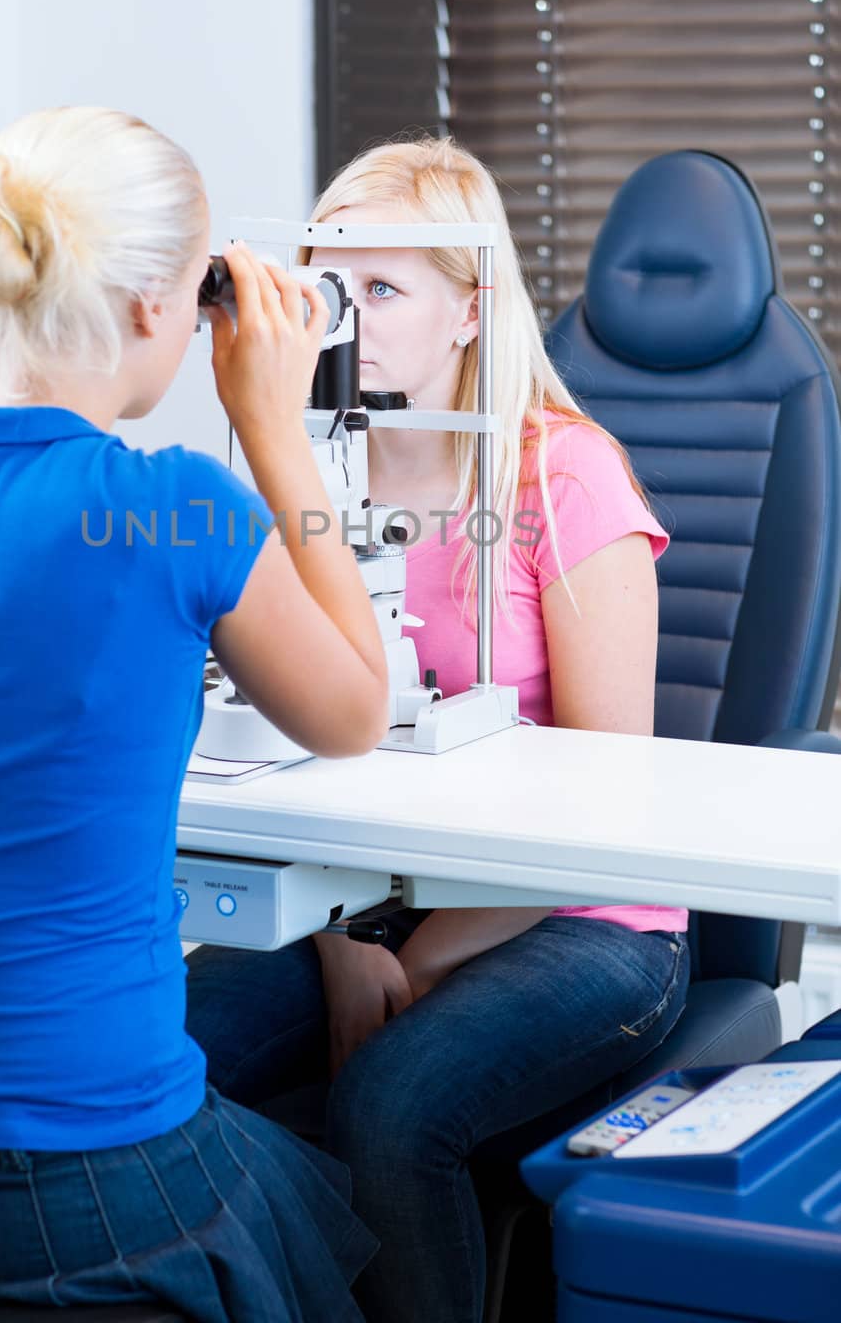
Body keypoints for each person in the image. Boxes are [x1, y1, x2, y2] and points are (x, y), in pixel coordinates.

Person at [0, 105, 392, 1318]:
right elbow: (354, 708)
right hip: (76, 1168)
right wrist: (274, 422)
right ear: (160, 305)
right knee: (315, 1198)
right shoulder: (178, 508)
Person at [185, 136, 690, 1323]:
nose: (340, 315)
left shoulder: (563, 481)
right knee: (166, 1051)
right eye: (328, 284)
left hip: (579, 909)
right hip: (361, 898)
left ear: (469, 309)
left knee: (391, 1105)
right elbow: (307, 742)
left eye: (380, 289)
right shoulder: (313, 477)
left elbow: (605, 812)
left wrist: (411, 960)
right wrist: (340, 941)